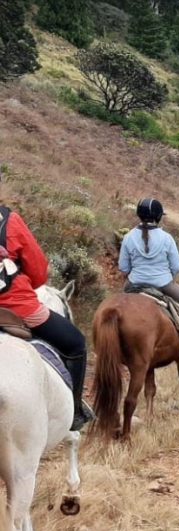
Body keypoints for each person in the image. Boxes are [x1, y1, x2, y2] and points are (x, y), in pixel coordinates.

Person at [0, 171, 94, 431]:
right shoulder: (10, 222)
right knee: (76, 343)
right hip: (17, 308)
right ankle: (74, 412)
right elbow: (39, 272)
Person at [119, 198, 179, 361]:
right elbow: (176, 266)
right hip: (163, 284)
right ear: (158, 217)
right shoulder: (167, 238)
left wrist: (136, 274)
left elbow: (123, 267)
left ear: (139, 215)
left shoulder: (128, 237)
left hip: (134, 283)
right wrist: (165, 276)